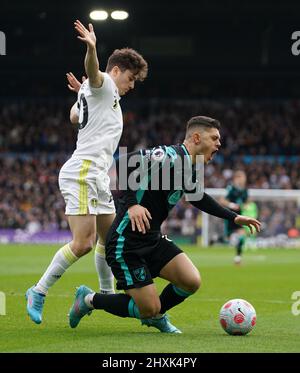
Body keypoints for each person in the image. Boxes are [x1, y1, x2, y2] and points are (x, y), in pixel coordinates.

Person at [68, 116, 261, 333]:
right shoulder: (168, 156)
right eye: (214, 138)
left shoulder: (191, 166)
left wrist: (233, 217)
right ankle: (89, 299)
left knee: (191, 281)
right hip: (126, 242)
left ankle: (156, 314)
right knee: (148, 308)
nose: (219, 143)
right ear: (196, 137)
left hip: (152, 238)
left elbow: (197, 197)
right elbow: (123, 163)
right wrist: (132, 205)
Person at [26, 20, 148, 324]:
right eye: (131, 78)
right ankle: (38, 290)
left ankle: (103, 296)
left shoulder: (106, 97)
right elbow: (95, 73)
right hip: (82, 172)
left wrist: (82, 95)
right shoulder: (105, 82)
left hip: (98, 176)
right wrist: (92, 49)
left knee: (109, 242)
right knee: (83, 243)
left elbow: (73, 116)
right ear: (117, 71)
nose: (132, 86)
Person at [220, 170, 258, 265]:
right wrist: (232, 205)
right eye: (241, 177)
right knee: (228, 237)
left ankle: (238, 257)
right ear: (236, 178)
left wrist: (247, 205)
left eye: (244, 177)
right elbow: (222, 200)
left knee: (242, 236)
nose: (244, 179)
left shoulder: (245, 190)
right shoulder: (231, 188)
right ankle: (220, 240)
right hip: (230, 216)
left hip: (240, 217)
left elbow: (246, 201)